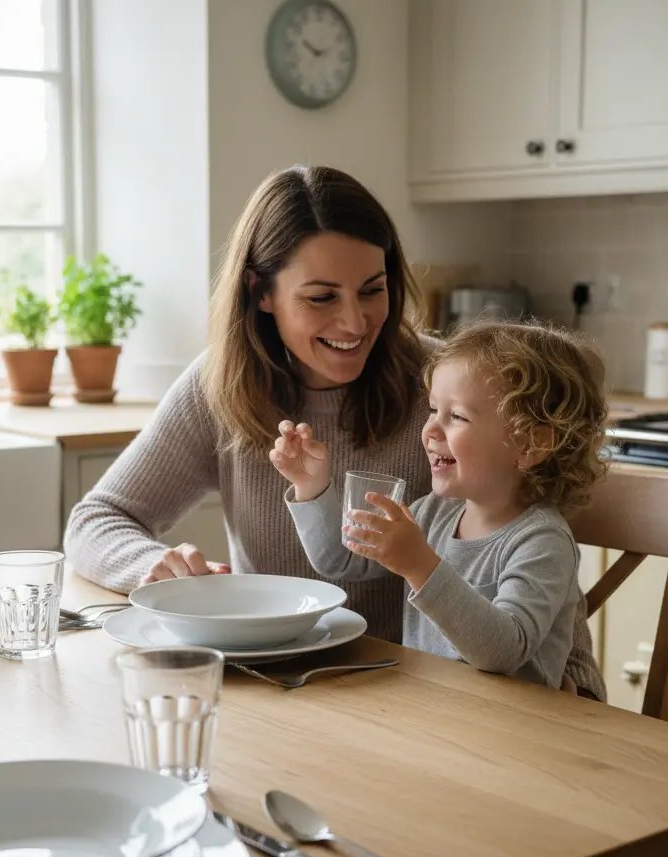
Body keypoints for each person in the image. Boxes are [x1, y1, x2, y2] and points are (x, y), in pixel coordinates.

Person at [64, 165, 604, 694]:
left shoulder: (455, 387)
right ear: (261, 292)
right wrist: (154, 567)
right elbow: (97, 519)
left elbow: (533, 570)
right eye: (321, 297)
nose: (354, 323)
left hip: (433, 696)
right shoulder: (219, 388)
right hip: (288, 685)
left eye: (373, 289)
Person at [271, 320, 608, 695]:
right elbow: (340, 560)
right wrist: (310, 485)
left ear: (532, 443)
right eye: (433, 409)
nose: (431, 429)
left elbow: (503, 651)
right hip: (435, 716)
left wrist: (419, 565)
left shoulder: (542, 541)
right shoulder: (434, 512)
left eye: (458, 416)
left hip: (512, 733)